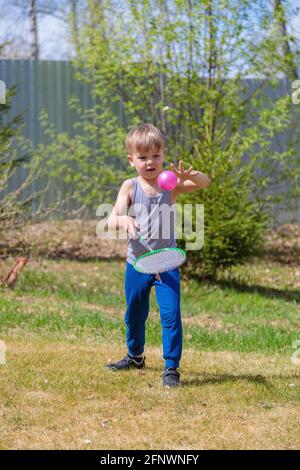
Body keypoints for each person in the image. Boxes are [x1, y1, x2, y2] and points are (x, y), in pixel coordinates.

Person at [106, 123, 211, 387]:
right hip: (137, 264)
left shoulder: (170, 184)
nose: (150, 162)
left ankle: (171, 368)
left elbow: (204, 183)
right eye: (143, 157)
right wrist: (126, 222)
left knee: (171, 315)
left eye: (156, 155)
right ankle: (135, 356)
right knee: (134, 314)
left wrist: (192, 174)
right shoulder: (129, 187)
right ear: (132, 160)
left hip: (167, 263)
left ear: (163, 155)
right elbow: (112, 218)